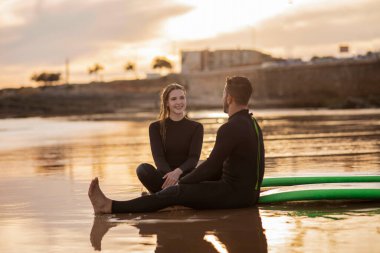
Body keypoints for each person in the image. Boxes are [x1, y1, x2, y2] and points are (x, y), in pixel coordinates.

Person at [88, 76, 265, 214]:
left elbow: (210, 167)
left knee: (174, 193)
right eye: (174, 99)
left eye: (223, 94)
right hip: (247, 194)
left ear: (229, 98)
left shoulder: (230, 128)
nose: (222, 97)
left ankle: (108, 206)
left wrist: (182, 185)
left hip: (234, 195)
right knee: (161, 181)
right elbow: (221, 167)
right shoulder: (252, 123)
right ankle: (173, 201)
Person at [136, 83, 203, 193]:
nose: (179, 102)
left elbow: (193, 158)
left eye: (182, 98)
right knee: (142, 169)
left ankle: (166, 194)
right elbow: (159, 158)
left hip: (186, 177)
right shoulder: (155, 127)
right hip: (164, 177)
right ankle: (171, 192)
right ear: (167, 103)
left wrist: (177, 172)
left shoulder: (196, 127)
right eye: (173, 99)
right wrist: (171, 178)